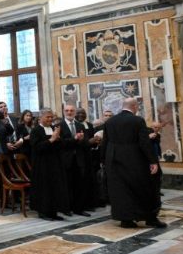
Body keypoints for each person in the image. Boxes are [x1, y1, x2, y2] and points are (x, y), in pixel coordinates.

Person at [101, 98, 164, 229]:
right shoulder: (137, 120)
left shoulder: (110, 121)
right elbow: (144, 143)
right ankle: (150, 218)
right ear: (135, 106)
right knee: (145, 187)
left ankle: (126, 220)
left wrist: (103, 161)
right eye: (137, 107)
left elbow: (105, 143)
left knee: (120, 191)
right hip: (134, 160)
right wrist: (153, 161)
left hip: (114, 161)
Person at [30, 109, 70, 221]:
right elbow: (37, 147)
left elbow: (61, 145)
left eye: (51, 117)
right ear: (40, 118)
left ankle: (53, 211)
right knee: (44, 188)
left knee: (55, 187)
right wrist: (51, 139)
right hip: (42, 164)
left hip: (54, 163)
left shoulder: (53, 129)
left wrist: (59, 139)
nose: (50, 119)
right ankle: (43, 212)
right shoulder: (36, 130)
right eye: (48, 117)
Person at [60, 105, 91, 217]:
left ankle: (79, 208)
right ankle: (66, 209)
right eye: (67, 110)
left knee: (79, 185)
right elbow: (61, 143)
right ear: (63, 112)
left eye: (71, 110)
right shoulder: (59, 125)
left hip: (78, 159)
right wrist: (75, 139)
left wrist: (82, 140)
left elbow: (86, 143)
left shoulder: (79, 125)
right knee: (67, 185)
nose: (69, 112)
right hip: (66, 160)